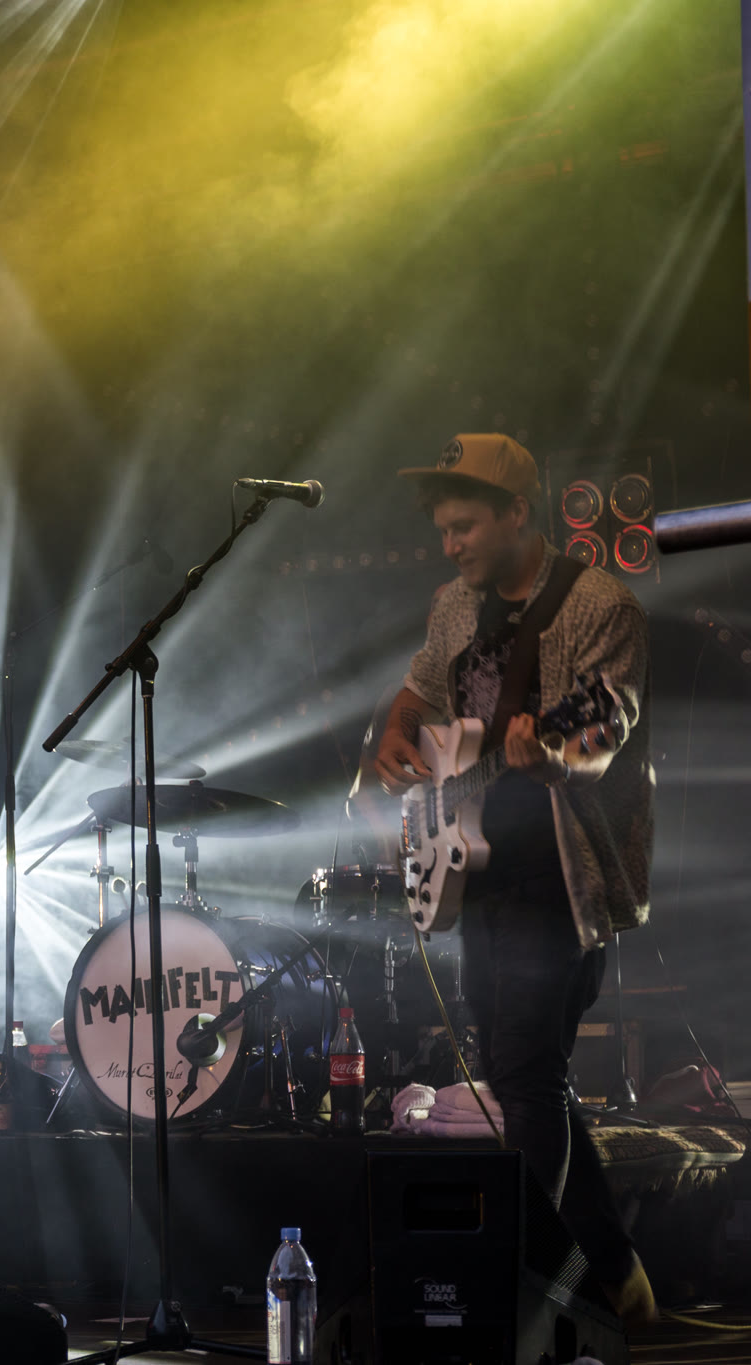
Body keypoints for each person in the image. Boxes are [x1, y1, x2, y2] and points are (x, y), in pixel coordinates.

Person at [371, 433, 656, 1326]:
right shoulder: (454, 606)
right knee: (521, 1074)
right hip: (477, 870)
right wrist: (396, 730)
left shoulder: (601, 604)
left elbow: (603, 730)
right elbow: (421, 689)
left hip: (561, 877)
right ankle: (616, 1272)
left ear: (517, 514)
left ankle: (528, 1289)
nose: (449, 544)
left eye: (464, 527)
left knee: (527, 1077)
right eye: (443, 528)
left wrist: (556, 754)